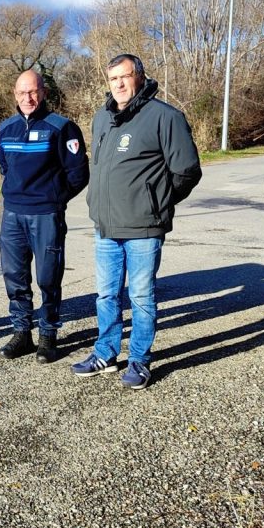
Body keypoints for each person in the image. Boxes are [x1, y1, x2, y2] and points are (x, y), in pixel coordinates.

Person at [72, 53, 202, 390]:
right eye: (113, 78)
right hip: (105, 226)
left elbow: (186, 171)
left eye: (125, 76)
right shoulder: (102, 118)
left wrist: (155, 201)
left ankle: (140, 360)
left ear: (140, 77)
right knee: (106, 296)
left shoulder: (165, 117)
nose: (118, 84)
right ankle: (105, 353)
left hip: (144, 227)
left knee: (142, 297)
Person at [0, 69, 89, 362]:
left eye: (33, 91)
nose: (28, 98)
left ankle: (48, 334)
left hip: (45, 215)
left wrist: (54, 199)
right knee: (15, 277)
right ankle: (22, 332)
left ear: (44, 93)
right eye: (22, 92)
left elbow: (78, 174)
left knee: (48, 277)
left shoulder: (61, 128)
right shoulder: (5, 128)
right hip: (12, 215)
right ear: (14, 94)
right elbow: (5, 167)